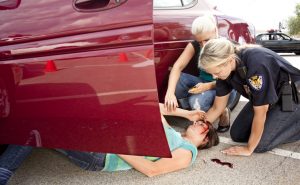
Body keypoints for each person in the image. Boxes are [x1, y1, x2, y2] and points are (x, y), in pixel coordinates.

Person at [0, 104, 219, 184]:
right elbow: (153, 106)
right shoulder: (173, 134)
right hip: (104, 136)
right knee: (47, 116)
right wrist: (187, 113)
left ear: (205, 140)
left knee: (39, 126)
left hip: (104, 153)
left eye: (204, 126)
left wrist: (115, 142)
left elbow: (151, 170)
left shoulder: (188, 151)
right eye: (201, 122)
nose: (201, 124)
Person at [198, 38, 300, 156]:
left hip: (291, 98)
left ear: (229, 60)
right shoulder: (222, 72)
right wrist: (197, 127)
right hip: (269, 97)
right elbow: (217, 108)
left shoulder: (256, 64)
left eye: (217, 72)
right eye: (212, 73)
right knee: (238, 134)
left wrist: (248, 149)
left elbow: (260, 112)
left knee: (260, 145)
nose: (214, 77)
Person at [164, 14, 236, 133]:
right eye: (200, 41)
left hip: (224, 86)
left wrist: (208, 86)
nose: (203, 45)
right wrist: (170, 93)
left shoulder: (227, 46)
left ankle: (222, 110)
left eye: (207, 40)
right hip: (202, 82)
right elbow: (178, 66)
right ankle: (191, 113)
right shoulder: (196, 45)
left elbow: (232, 79)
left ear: (215, 30)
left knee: (196, 103)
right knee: (178, 78)